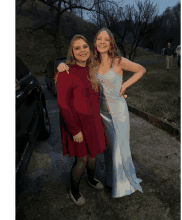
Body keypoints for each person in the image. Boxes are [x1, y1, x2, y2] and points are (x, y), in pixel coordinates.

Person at [55, 28, 146, 198]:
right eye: (98, 39)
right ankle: (112, 180)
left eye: (106, 39)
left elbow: (141, 69)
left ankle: (122, 185)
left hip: (118, 112)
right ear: (95, 43)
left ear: (111, 42)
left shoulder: (118, 61)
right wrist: (59, 65)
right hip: (100, 114)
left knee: (119, 148)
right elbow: (74, 72)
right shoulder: (92, 63)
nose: (102, 42)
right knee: (109, 150)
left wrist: (125, 86)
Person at [55, 35, 107, 207]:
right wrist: (75, 130)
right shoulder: (65, 72)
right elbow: (63, 105)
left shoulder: (92, 68)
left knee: (93, 155)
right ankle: (74, 191)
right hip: (76, 125)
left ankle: (91, 180)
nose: (82, 50)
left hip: (93, 122)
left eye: (85, 46)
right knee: (82, 159)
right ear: (72, 51)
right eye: (77, 48)